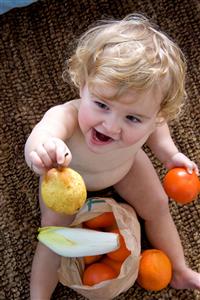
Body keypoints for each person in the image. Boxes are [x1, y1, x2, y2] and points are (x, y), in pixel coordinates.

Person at [24, 14, 200, 299]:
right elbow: (43, 132)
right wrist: (43, 149)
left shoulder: (152, 119)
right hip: (65, 179)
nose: (111, 126)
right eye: (101, 104)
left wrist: (171, 156)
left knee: (157, 205)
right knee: (52, 238)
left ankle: (180, 270)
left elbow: (159, 133)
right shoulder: (67, 115)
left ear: (157, 114)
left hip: (126, 166)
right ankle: (38, 296)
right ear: (83, 85)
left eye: (132, 118)